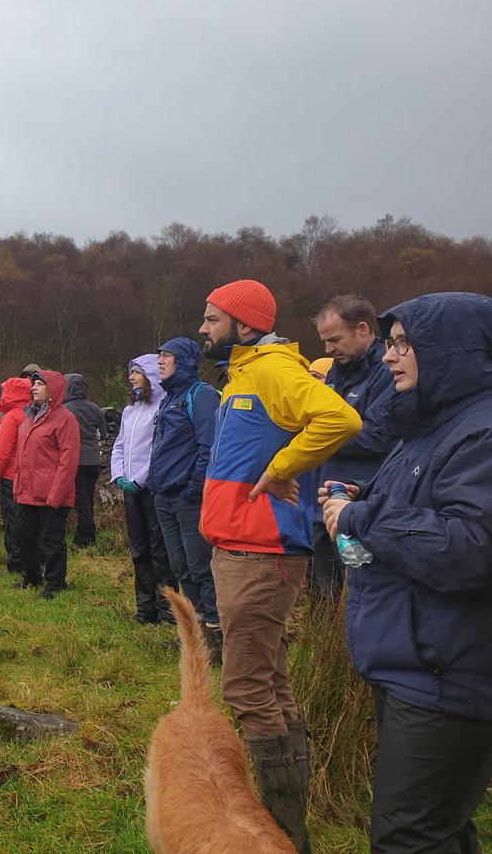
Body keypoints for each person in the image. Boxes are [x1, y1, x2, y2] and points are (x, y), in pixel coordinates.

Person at [321, 293, 492, 853]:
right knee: (438, 830)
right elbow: (426, 506)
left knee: (407, 837)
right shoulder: (423, 425)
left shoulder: (481, 432)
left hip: (447, 673)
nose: (391, 358)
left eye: (405, 345)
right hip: (410, 660)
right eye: (391, 344)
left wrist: (365, 516)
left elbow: (471, 547)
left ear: (450, 353)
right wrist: (361, 495)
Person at [198, 279, 360, 852]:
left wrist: (280, 468)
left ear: (244, 325)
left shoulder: (273, 370)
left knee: (246, 691)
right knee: (271, 685)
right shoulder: (242, 374)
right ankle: (287, 833)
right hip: (240, 548)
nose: (202, 328)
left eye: (213, 319)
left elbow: (340, 420)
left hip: (261, 552)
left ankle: (278, 834)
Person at [311, 295, 394, 602]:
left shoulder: (386, 373)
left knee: (358, 593)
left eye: (334, 339)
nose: (328, 349)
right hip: (321, 501)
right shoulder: (334, 372)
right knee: (324, 597)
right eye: (324, 341)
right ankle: (325, 651)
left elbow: (377, 435)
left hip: (358, 503)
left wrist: (318, 435)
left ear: (362, 329)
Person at [149, 338, 221, 655]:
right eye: (159, 356)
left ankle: (216, 633)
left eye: (166, 356)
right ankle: (194, 634)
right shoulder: (168, 399)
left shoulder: (200, 395)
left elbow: (209, 445)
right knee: (180, 567)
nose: (160, 361)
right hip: (164, 497)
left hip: (188, 497)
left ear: (183, 360)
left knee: (200, 567)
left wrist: (194, 487)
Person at [110, 355, 176, 624]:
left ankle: (167, 611)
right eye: (131, 372)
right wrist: (119, 476)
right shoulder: (129, 411)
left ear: (149, 375)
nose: (131, 377)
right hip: (130, 490)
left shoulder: (162, 408)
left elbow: (157, 451)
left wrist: (138, 479)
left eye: (137, 372)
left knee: (159, 551)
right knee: (138, 549)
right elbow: (119, 446)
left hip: (151, 489)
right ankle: (144, 608)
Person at [12, 370, 80, 599]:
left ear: (54, 389)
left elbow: (68, 460)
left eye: (40, 384)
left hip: (52, 492)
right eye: (34, 384)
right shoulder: (29, 416)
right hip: (28, 491)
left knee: (51, 539)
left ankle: (55, 583)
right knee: (22, 534)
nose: (34, 388)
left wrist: (57, 494)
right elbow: (23, 457)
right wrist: (18, 486)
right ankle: (31, 576)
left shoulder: (64, 419)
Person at [0, 375, 33, 575]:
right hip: (30, 477)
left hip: (11, 478)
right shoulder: (34, 414)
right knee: (30, 521)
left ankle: (15, 563)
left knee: (12, 521)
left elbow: (3, 455)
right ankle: (33, 560)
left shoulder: (10, 417)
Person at [63, 373, 109, 550]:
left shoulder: (66, 409)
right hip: (94, 460)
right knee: (87, 500)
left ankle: (86, 539)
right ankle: (84, 537)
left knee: (80, 502)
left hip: (76, 460)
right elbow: (104, 433)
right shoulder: (95, 408)